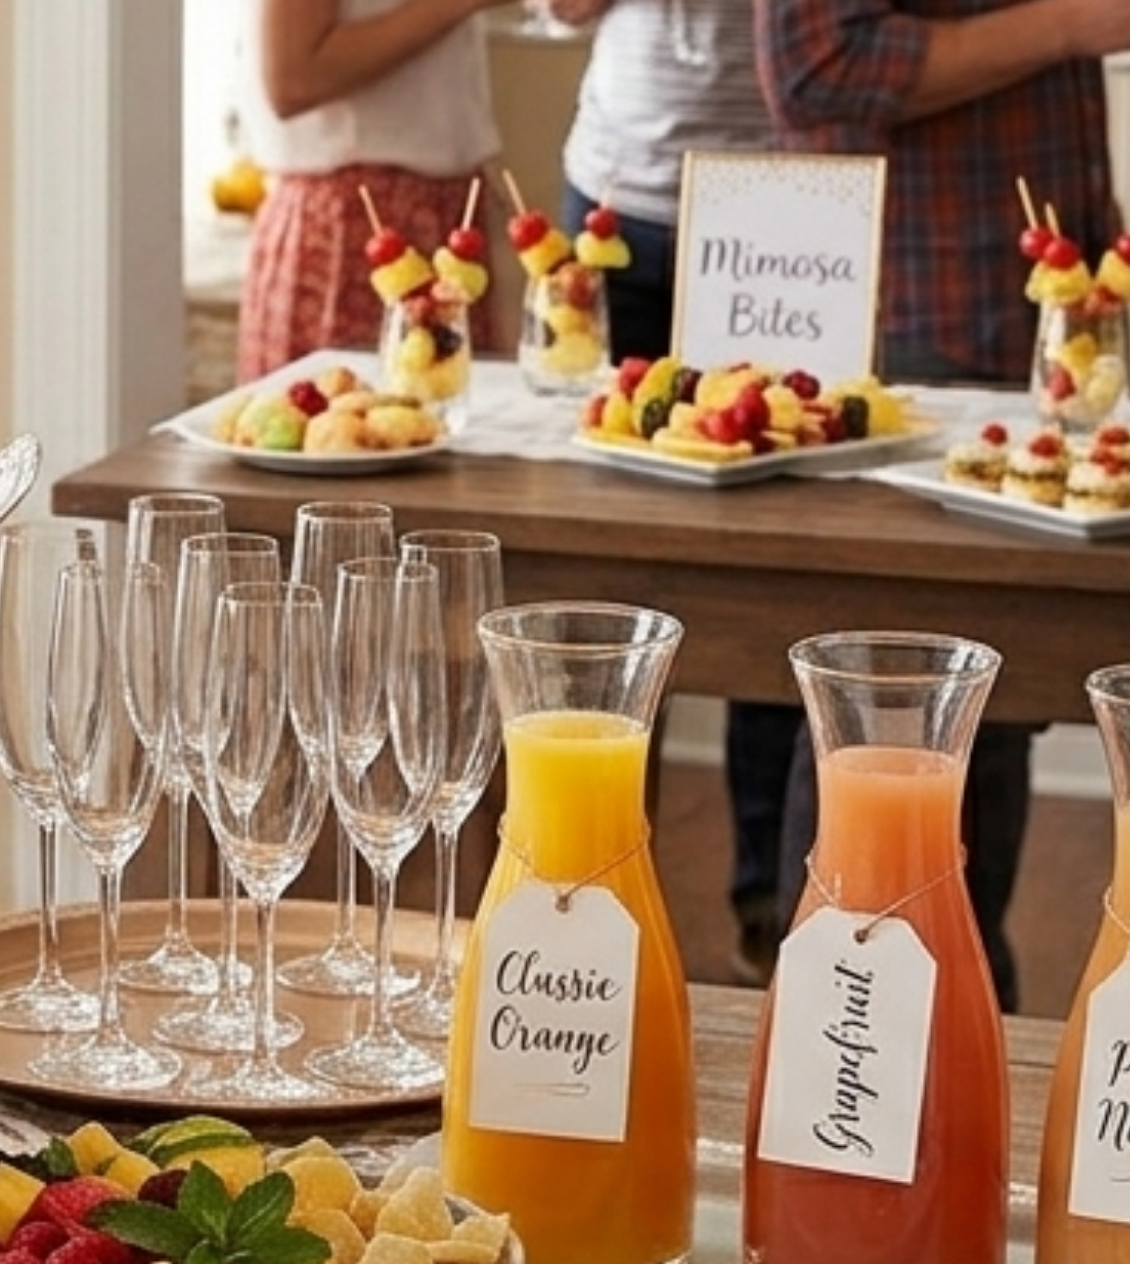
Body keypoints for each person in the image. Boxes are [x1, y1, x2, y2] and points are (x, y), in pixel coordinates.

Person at [753, 0, 1130, 1013]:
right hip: (909, 327)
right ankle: (843, 1049)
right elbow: (810, 68)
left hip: (1025, 324)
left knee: (986, 722)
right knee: (887, 722)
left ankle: (953, 1038)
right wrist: (1073, 23)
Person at [549, 0, 786, 986]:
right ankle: (588, 891)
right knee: (611, 567)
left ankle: (767, 900)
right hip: (617, 194)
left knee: (775, 554)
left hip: (782, 204)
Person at [235, 0, 506, 382]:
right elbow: (294, 78)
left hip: (437, 214)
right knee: (342, 425)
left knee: (452, 422)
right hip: (352, 223)